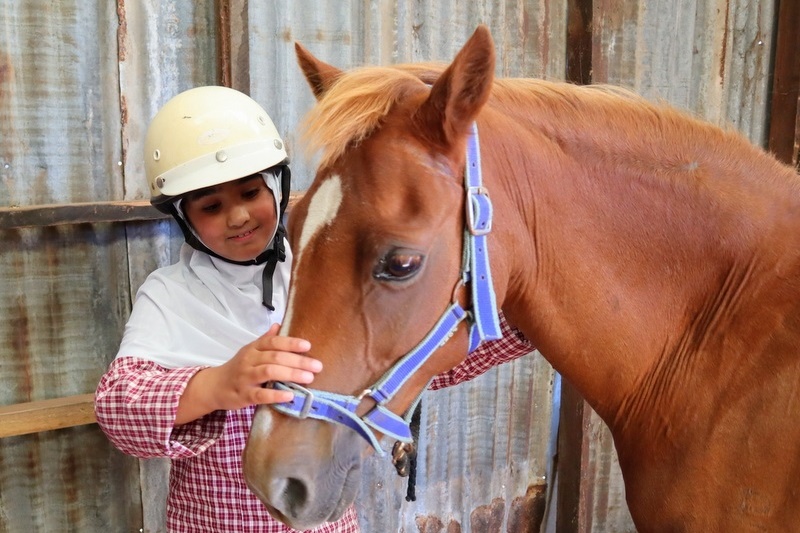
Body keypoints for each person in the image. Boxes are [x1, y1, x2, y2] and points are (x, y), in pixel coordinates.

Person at [94, 86, 534, 533]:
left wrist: (526, 326)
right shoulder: (171, 295)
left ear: (277, 186)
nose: (239, 216)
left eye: (250, 192)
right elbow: (119, 408)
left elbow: (406, 360)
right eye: (212, 206)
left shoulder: (319, 273)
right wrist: (218, 385)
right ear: (183, 218)